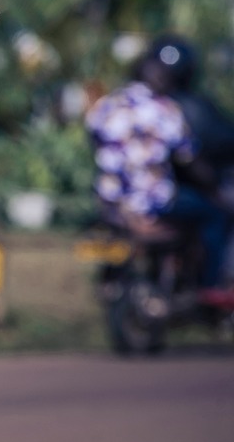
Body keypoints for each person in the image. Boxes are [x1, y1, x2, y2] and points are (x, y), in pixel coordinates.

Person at [85, 35, 234, 303]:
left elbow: (95, 141)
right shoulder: (165, 110)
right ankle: (211, 286)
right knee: (215, 214)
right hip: (151, 201)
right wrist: (213, 188)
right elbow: (188, 157)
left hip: (110, 201)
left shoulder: (106, 106)